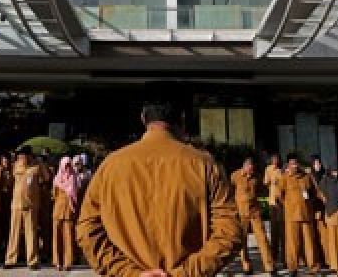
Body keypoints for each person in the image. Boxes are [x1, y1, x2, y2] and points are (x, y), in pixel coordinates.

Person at [76, 84, 241, 277]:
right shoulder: (204, 165)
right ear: (183, 119)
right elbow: (230, 232)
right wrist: (184, 273)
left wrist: (128, 272)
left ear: (143, 118)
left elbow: (87, 230)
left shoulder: (111, 165)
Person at [231, 157, 274, 275]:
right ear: (245, 167)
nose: (251, 172)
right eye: (250, 169)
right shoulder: (235, 176)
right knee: (242, 241)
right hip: (241, 213)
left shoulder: (256, 177)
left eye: (253, 170)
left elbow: (261, 190)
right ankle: (247, 266)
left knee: (263, 238)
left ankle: (270, 266)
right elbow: (229, 192)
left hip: (255, 212)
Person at [278, 152, 317, 276]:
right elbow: (280, 195)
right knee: (292, 243)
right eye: (292, 164)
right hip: (291, 216)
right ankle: (293, 268)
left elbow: (313, 192)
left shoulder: (306, 176)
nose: (294, 166)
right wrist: (288, 206)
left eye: (296, 163)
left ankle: (313, 267)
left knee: (309, 242)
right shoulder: (284, 177)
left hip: (306, 214)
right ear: (288, 165)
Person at [6, 146, 43, 268]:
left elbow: (46, 179)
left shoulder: (37, 167)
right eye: (19, 156)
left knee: (31, 233)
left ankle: (32, 261)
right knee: (13, 233)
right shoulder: (15, 166)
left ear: (29, 156)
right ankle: (10, 260)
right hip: (16, 204)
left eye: (23, 156)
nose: (21, 158)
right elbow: (10, 181)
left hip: (31, 205)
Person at [51, 155, 80, 271]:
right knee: (56, 237)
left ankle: (68, 262)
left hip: (68, 210)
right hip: (57, 211)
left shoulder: (74, 178)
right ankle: (57, 262)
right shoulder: (57, 179)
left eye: (69, 165)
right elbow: (54, 195)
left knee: (68, 237)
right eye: (65, 165)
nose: (67, 168)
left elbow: (75, 194)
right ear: (62, 166)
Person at [263, 153, 285, 267]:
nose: (275, 161)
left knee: (283, 232)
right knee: (274, 231)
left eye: (277, 159)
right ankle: (274, 257)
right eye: (273, 159)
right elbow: (265, 183)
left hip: (282, 203)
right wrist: (272, 181)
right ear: (271, 161)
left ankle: (285, 258)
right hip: (272, 203)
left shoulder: (283, 169)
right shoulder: (268, 169)